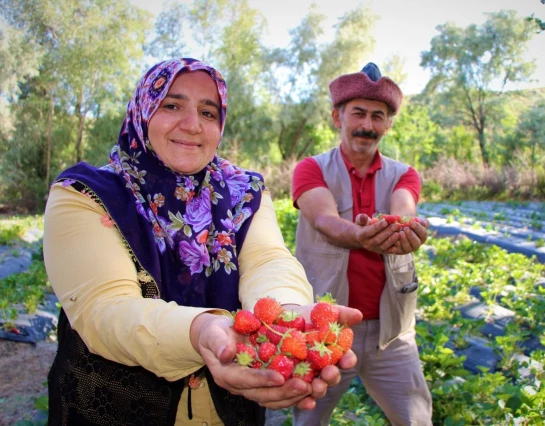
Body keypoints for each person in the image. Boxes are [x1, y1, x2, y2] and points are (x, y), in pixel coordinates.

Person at [43, 58, 362, 426]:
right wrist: (200, 332)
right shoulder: (86, 194)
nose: (193, 125)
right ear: (143, 110)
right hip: (113, 408)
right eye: (172, 105)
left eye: (208, 112)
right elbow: (108, 309)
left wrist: (286, 314)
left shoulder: (243, 192)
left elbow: (267, 260)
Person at [291, 62, 433, 426]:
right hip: (326, 328)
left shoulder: (404, 174)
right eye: (358, 113)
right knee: (308, 420)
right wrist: (361, 236)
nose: (367, 125)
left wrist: (406, 230)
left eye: (378, 116)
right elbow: (324, 220)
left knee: (415, 419)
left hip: (392, 332)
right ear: (337, 117)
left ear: (388, 124)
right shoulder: (310, 169)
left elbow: (404, 210)